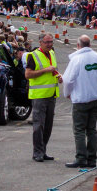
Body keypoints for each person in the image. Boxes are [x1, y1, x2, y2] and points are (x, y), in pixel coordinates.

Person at [62, 35, 97, 168]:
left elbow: (68, 80)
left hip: (81, 99)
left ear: (78, 45)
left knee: (79, 130)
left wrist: (67, 93)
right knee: (91, 130)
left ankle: (81, 158)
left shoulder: (77, 59)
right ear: (90, 44)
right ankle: (92, 159)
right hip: (95, 98)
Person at [25, 33, 62, 162]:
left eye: (51, 42)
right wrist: (45, 71)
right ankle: (37, 152)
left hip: (51, 94)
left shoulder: (52, 53)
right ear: (40, 42)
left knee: (48, 125)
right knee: (38, 125)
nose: (49, 44)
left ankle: (43, 150)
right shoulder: (33, 55)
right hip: (39, 96)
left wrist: (58, 76)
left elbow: (53, 69)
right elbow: (28, 74)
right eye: (47, 42)